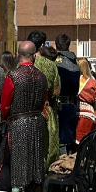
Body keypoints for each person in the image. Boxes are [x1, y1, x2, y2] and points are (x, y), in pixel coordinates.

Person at [0, 41, 48, 192]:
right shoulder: (42, 77)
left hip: (17, 123)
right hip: (37, 122)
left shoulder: (13, 75)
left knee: (6, 165)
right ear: (35, 55)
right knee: (33, 164)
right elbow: (43, 103)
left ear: (18, 55)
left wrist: (5, 118)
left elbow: (5, 104)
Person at [27, 31, 60, 172]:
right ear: (42, 46)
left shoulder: (20, 65)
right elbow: (56, 91)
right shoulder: (51, 65)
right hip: (45, 112)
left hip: (25, 113)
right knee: (47, 150)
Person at [54, 34, 81, 152]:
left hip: (60, 104)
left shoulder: (56, 62)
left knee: (61, 139)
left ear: (55, 46)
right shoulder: (75, 62)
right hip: (72, 103)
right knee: (70, 137)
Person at [74, 57, 96, 144]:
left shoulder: (72, 81)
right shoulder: (93, 83)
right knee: (86, 143)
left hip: (74, 112)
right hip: (88, 115)